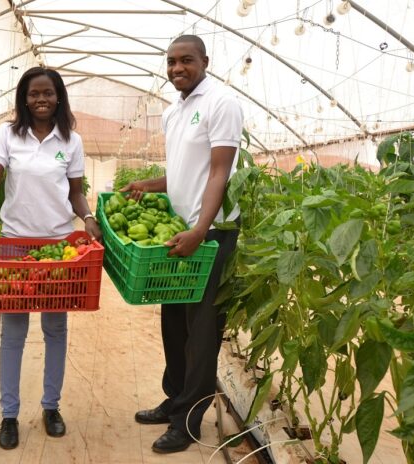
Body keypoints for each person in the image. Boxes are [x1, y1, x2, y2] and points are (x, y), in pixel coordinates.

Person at [0, 66, 102, 450]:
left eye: (48, 93)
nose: (41, 100)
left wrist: (87, 218)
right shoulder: (7, 134)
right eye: (34, 93)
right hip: (14, 245)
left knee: (55, 329)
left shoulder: (71, 140)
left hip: (58, 247)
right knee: (13, 332)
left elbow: (75, 192)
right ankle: (8, 415)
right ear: (24, 98)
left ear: (59, 97)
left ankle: (51, 407)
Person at [121, 35, 243, 454]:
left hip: (211, 234)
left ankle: (189, 421)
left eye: (186, 61)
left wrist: (199, 230)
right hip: (179, 231)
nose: (177, 68)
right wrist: (148, 183)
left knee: (202, 330)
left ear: (204, 61)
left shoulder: (221, 103)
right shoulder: (174, 111)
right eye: (171, 62)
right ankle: (174, 399)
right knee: (173, 319)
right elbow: (183, 174)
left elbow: (219, 174)